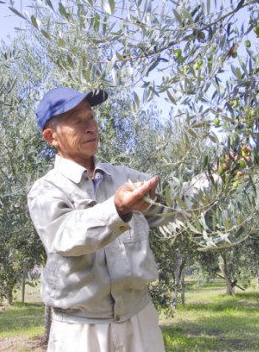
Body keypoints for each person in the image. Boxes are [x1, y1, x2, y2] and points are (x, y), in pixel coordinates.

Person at [27, 86, 174, 352]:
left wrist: (220, 178)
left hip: (140, 321)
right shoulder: (45, 191)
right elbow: (65, 235)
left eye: (91, 117)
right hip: (81, 332)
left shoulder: (124, 177)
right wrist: (116, 209)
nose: (91, 127)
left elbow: (171, 206)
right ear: (51, 137)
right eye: (77, 120)